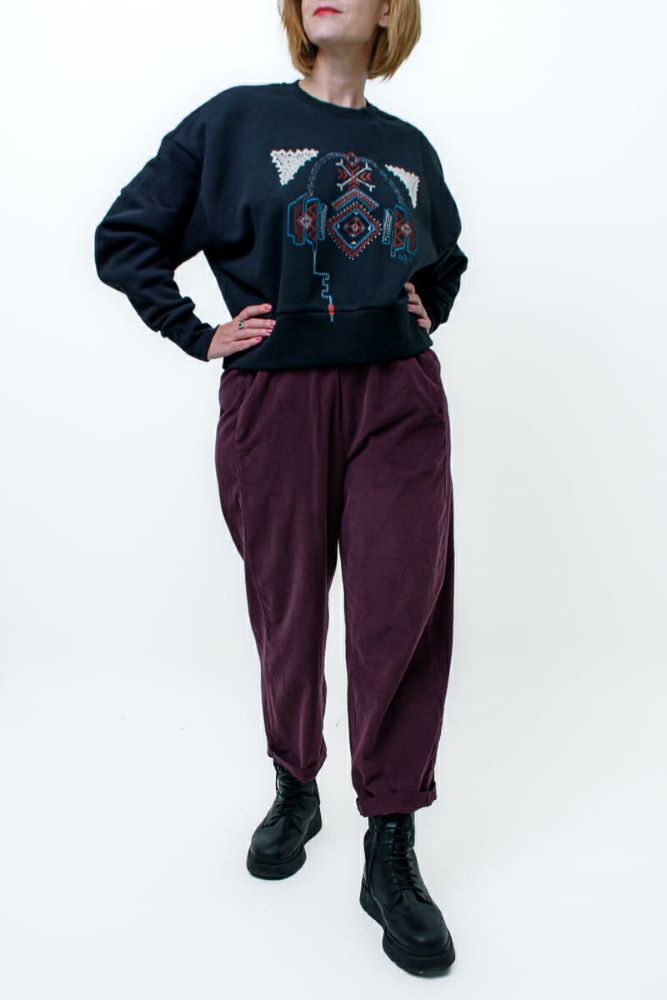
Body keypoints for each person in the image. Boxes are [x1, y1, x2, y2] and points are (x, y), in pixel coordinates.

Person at [94, 0, 468, 978]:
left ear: (389, 12)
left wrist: (429, 305)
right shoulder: (234, 122)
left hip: (397, 395)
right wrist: (195, 330)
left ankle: (390, 843)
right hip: (277, 399)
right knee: (287, 607)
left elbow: (444, 257)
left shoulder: (408, 148)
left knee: (400, 611)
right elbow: (125, 235)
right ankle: (295, 782)